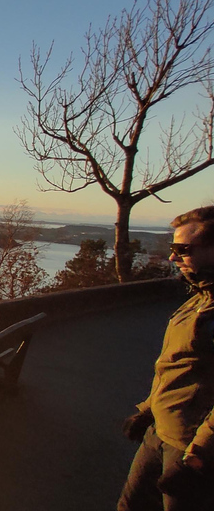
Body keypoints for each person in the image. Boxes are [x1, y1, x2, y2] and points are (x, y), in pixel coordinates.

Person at [118, 206, 214, 511]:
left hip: (188, 447)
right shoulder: (199, 299)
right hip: (159, 431)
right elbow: (175, 365)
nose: (172, 257)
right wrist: (148, 410)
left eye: (182, 249)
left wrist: (200, 454)